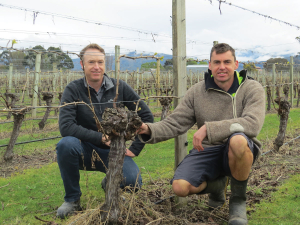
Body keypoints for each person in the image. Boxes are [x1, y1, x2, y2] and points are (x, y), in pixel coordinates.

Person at [138, 43, 265, 225]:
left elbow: (252, 124)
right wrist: (149, 129)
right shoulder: (197, 92)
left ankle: (237, 202)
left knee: (237, 140)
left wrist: (209, 128)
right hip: (208, 150)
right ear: (210, 65)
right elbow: (175, 122)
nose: (222, 67)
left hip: (240, 149)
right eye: (217, 62)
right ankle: (218, 185)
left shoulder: (251, 88)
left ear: (236, 64)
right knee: (180, 187)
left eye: (227, 62)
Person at [56, 43, 153, 219]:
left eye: (100, 62)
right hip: (84, 149)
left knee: (133, 182)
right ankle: (72, 200)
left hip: (114, 150)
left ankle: (109, 182)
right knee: (65, 144)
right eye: (91, 62)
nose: (96, 67)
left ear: (105, 64)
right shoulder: (73, 89)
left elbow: (145, 115)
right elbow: (66, 126)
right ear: (82, 64)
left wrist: (136, 147)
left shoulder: (119, 87)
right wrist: (101, 137)